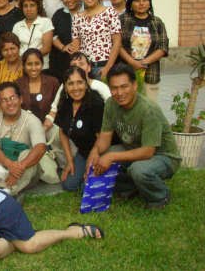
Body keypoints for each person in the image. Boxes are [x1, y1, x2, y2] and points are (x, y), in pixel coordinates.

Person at [87, 64, 181, 209]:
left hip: (164, 156)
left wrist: (111, 157)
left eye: (124, 86)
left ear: (135, 85)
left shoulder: (148, 109)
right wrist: (94, 154)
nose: (119, 93)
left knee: (138, 170)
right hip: (135, 150)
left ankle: (160, 197)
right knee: (102, 156)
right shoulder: (111, 104)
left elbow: (148, 152)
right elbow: (105, 138)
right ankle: (130, 188)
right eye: (114, 88)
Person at [55, 66, 105, 192]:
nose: (76, 88)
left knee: (86, 188)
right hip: (83, 152)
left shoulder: (96, 103)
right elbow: (62, 132)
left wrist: (90, 162)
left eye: (80, 82)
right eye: (70, 84)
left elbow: (102, 137)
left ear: (86, 83)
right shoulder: (64, 103)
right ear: (65, 87)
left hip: (103, 150)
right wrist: (70, 161)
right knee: (68, 184)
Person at [119, 0, 169, 102]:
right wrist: (132, 62)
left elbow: (163, 47)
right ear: (130, 3)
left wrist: (143, 62)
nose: (141, 3)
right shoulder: (122, 20)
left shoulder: (157, 22)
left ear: (149, 2)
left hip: (151, 73)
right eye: (137, 0)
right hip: (126, 73)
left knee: (149, 109)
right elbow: (117, 45)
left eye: (145, 0)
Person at [46, 51, 112, 128]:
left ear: (89, 67)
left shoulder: (100, 86)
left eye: (81, 64)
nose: (77, 67)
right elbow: (53, 111)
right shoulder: (65, 85)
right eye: (73, 65)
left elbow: (111, 110)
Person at [71, 0, 121, 79]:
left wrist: (107, 68)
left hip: (104, 66)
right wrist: (77, 69)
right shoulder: (77, 17)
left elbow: (117, 42)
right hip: (84, 68)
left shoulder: (109, 12)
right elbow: (76, 45)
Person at [50, 0, 82, 81]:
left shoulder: (88, 13)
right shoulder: (58, 14)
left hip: (83, 61)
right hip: (62, 62)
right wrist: (63, 47)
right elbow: (53, 35)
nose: (69, 0)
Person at [15, 49, 59, 123]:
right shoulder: (18, 84)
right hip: (25, 128)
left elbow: (59, 106)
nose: (33, 68)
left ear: (42, 64)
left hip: (49, 127)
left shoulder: (53, 82)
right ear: (24, 66)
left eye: (37, 63)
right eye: (29, 64)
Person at [0, 32, 24, 115]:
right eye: (5, 50)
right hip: (1, 113)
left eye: (13, 48)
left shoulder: (25, 66)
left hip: (22, 113)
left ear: (19, 47)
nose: (10, 53)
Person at [12, 0, 53, 68]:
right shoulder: (17, 26)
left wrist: (28, 58)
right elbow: (14, 47)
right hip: (22, 67)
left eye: (32, 5)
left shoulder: (46, 22)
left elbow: (46, 48)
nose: (28, 9)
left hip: (41, 67)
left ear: (38, 7)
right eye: (25, 6)